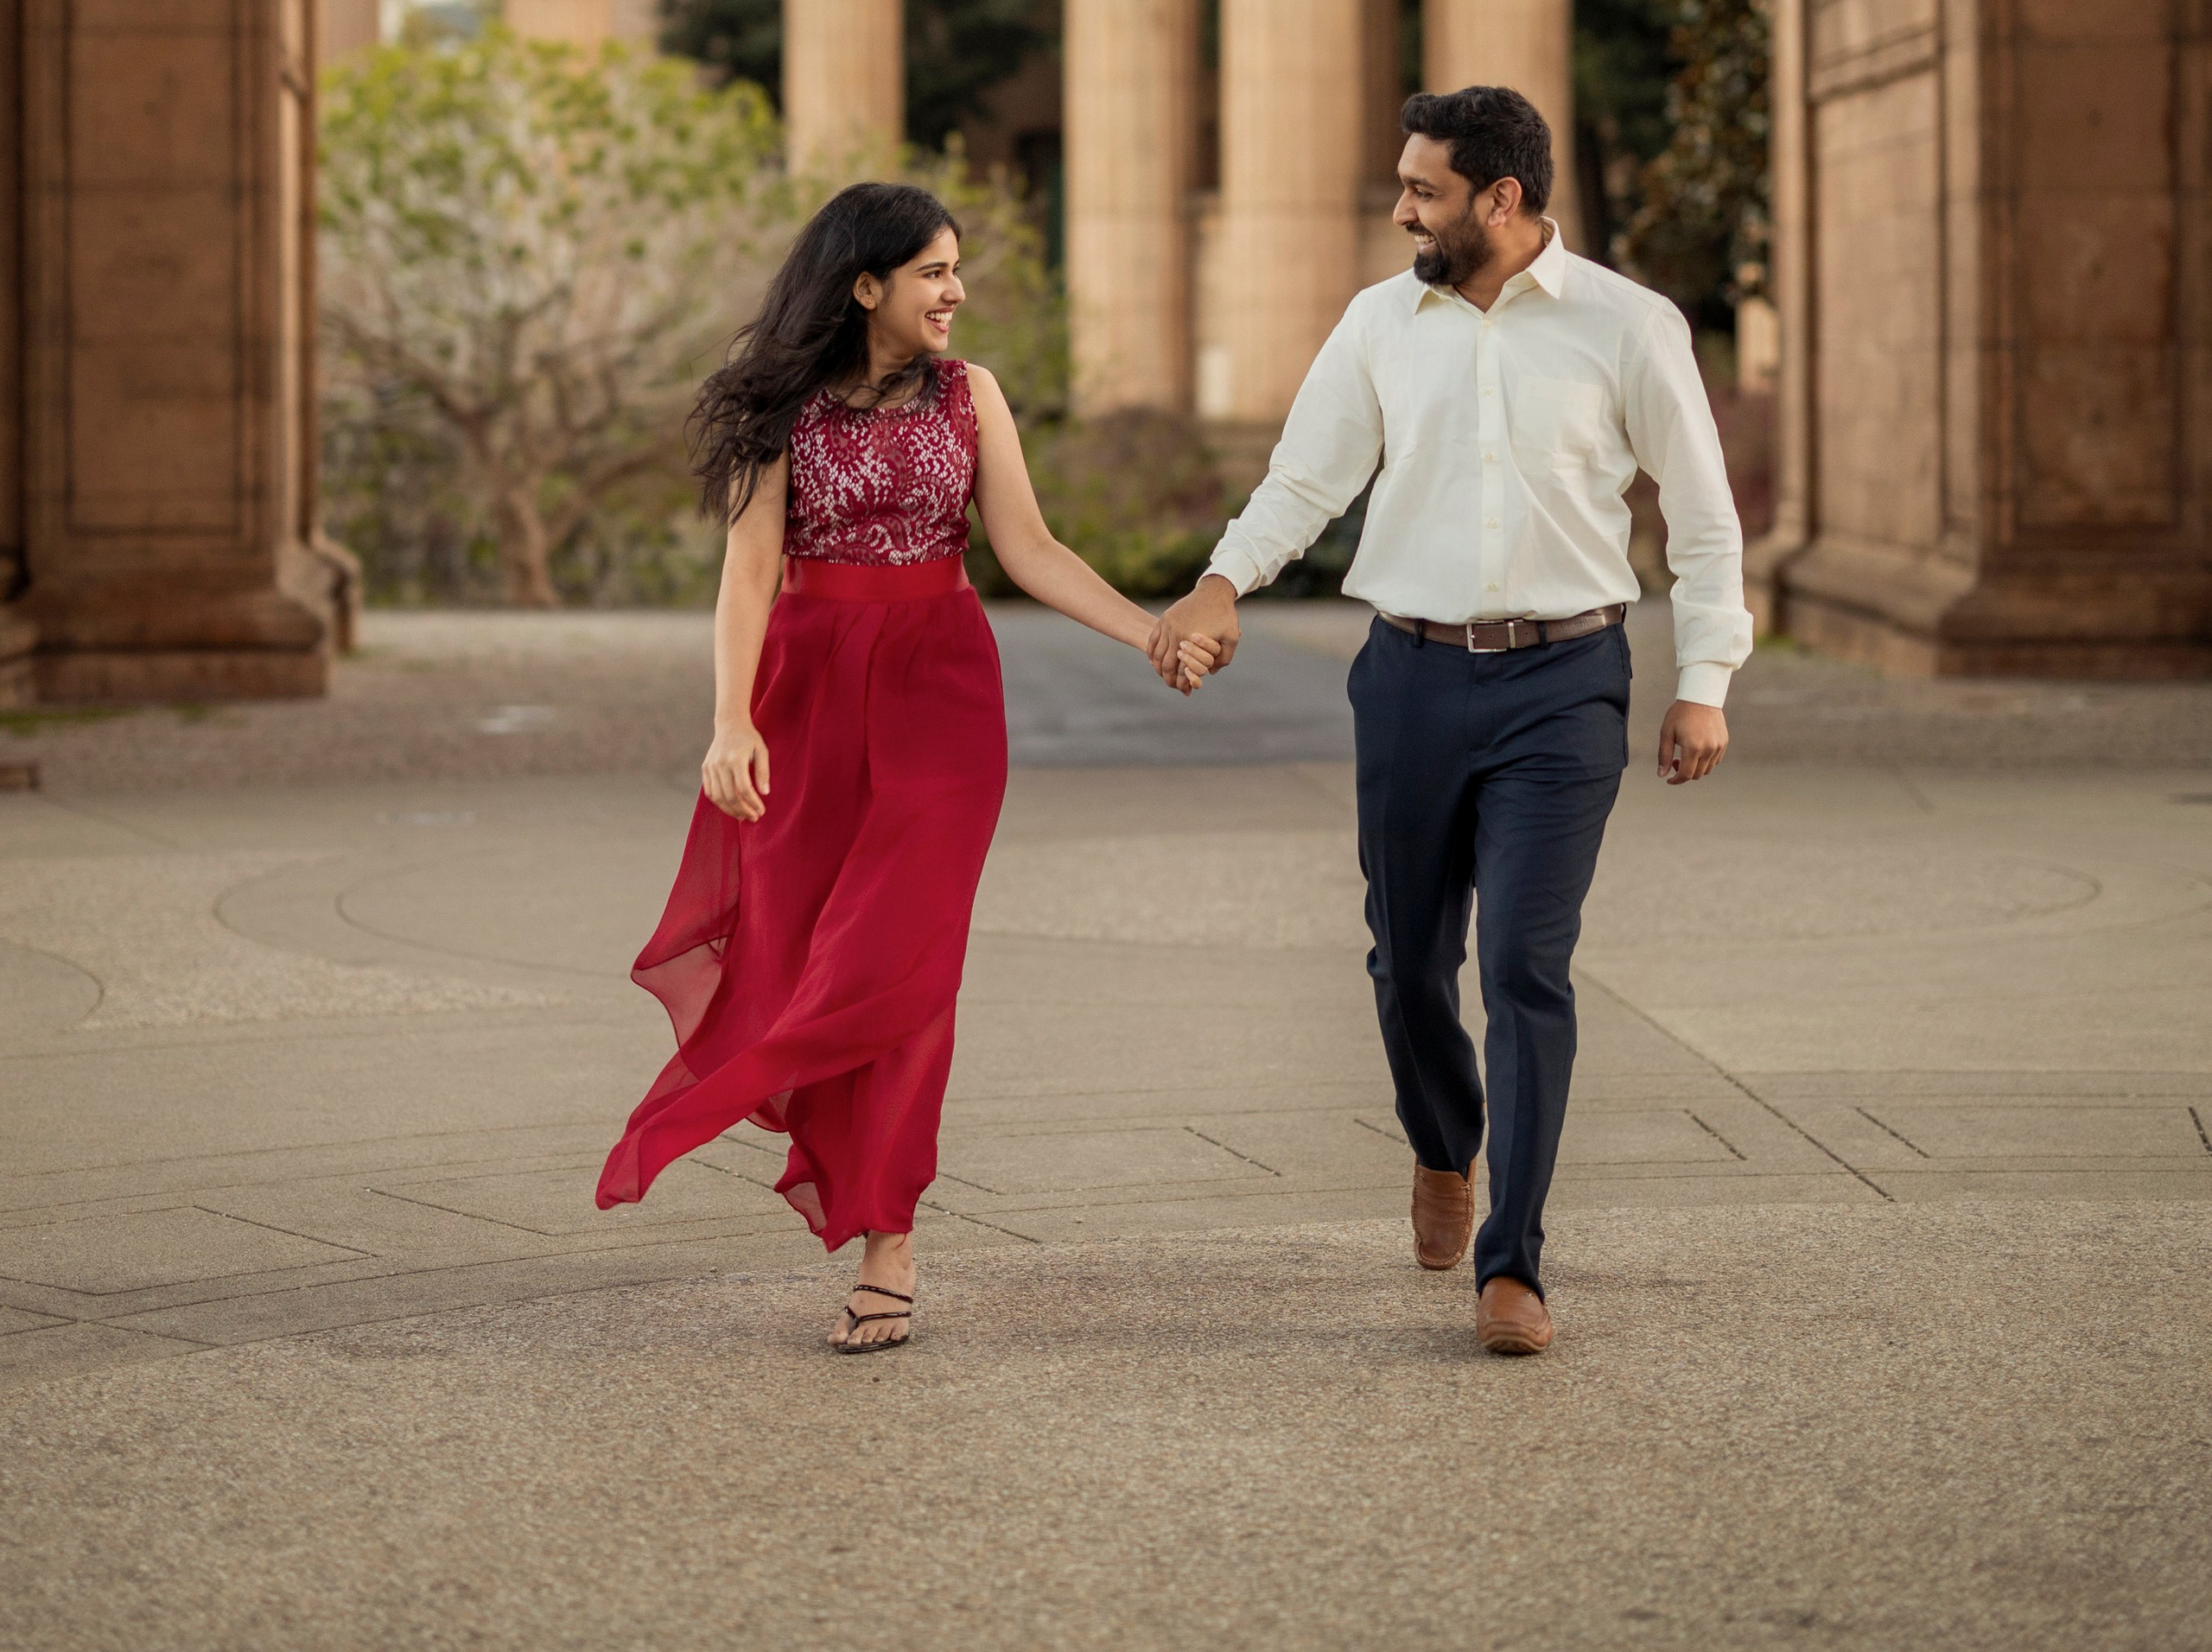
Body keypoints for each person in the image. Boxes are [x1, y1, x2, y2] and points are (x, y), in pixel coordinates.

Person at [1150, 86, 1750, 1358]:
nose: (1401, 208)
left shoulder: (1629, 327)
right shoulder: (1381, 322)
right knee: (1408, 961)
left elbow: (1700, 516)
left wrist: (1707, 676)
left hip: (1567, 681)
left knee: (1529, 967)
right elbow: (1307, 477)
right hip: (1411, 680)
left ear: (1504, 199)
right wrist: (1222, 580)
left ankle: (1513, 1264)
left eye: (1423, 189)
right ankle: (1441, 1143)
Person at [598, 181, 1220, 1352]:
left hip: (941, 695)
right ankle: (836, 1150)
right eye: (933, 271)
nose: (957, 291)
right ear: (865, 284)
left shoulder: (972, 397)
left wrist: (1148, 632)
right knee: (809, 950)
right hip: (811, 692)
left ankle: (889, 1235)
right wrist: (731, 724)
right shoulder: (782, 412)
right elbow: (746, 576)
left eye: (957, 269)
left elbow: (1028, 550)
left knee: (905, 961)